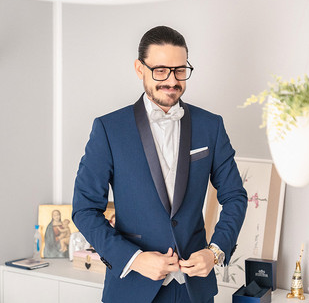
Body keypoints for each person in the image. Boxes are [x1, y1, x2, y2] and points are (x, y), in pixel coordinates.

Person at [72, 26, 248, 303]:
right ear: (139, 68)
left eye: (180, 70)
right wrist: (134, 258)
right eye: (161, 70)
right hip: (132, 288)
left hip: (195, 289)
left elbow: (235, 196)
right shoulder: (109, 129)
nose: (172, 80)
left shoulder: (210, 126)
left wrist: (215, 252)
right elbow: (84, 210)